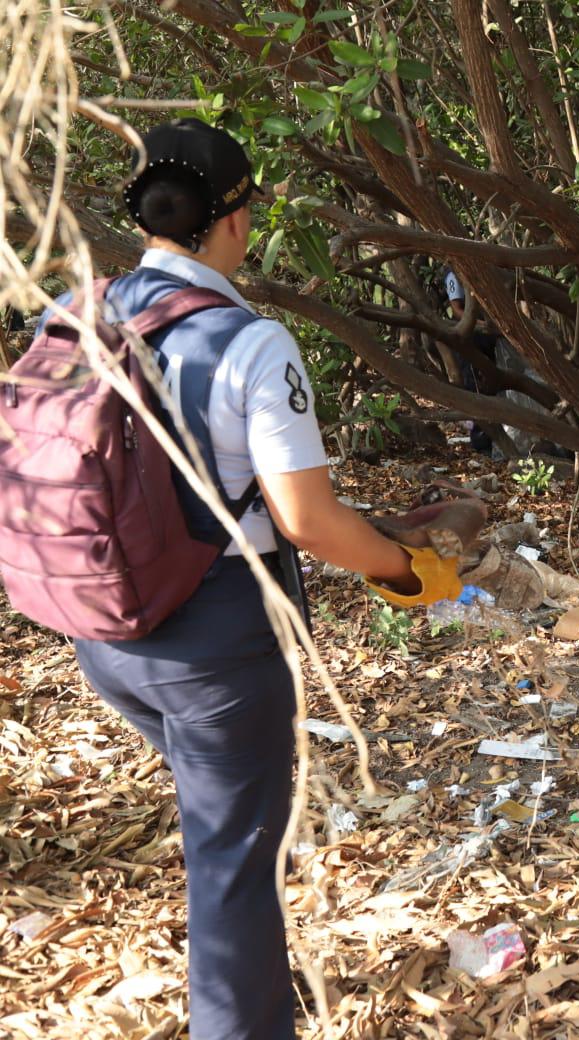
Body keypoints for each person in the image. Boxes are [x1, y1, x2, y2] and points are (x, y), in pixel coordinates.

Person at [54, 119, 446, 1040]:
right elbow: (308, 520)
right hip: (214, 643)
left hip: (100, 623)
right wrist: (405, 572)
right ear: (234, 219)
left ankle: (255, 980)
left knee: (227, 824)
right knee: (233, 854)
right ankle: (241, 1018)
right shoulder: (248, 342)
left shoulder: (77, 310)